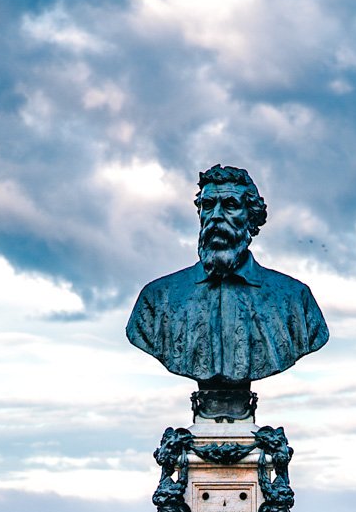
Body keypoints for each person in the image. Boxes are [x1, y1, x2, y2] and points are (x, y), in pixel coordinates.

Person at [125, 165, 329, 417]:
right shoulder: (158, 299)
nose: (217, 216)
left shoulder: (294, 299)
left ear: (251, 219)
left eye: (230, 205)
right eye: (208, 205)